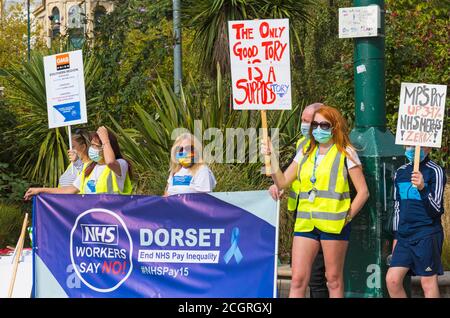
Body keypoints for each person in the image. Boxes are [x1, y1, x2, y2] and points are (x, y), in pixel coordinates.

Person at [262, 105, 369, 298]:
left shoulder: (346, 152)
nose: (318, 128)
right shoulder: (306, 150)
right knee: (297, 280)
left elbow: (363, 192)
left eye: (324, 125)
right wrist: (271, 159)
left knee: (333, 280)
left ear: (334, 127)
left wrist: (347, 216)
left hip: (334, 224)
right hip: (305, 222)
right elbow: (283, 181)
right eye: (315, 124)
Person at [268, 102, 330, 298]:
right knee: (299, 276)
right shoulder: (302, 145)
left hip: (325, 217)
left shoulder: (336, 149)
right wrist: (276, 184)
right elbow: (286, 176)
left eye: (307, 121)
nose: (303, 124)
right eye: (302, 120)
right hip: (302, 217)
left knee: (319, 277)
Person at [386, 146, 446, 298]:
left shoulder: (435, 171)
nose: (412, 148)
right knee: (392, 280)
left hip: (426, 233)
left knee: (428, 282)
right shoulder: (400, 172)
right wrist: (396, 236)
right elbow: (398, 206)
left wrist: (422, 188)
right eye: (408, 145)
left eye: (416, 145)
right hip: (404, 235)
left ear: (429, 147)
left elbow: (436, 209)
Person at [24, 126, 132, 199]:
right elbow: (70, 189)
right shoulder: (90, 168)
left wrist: (105, 140)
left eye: (96, 146)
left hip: (113, 217)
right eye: (92, 145)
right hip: (93, 220)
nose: (92, 148)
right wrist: (40, 190)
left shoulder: (121, 164)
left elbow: (110, 162)